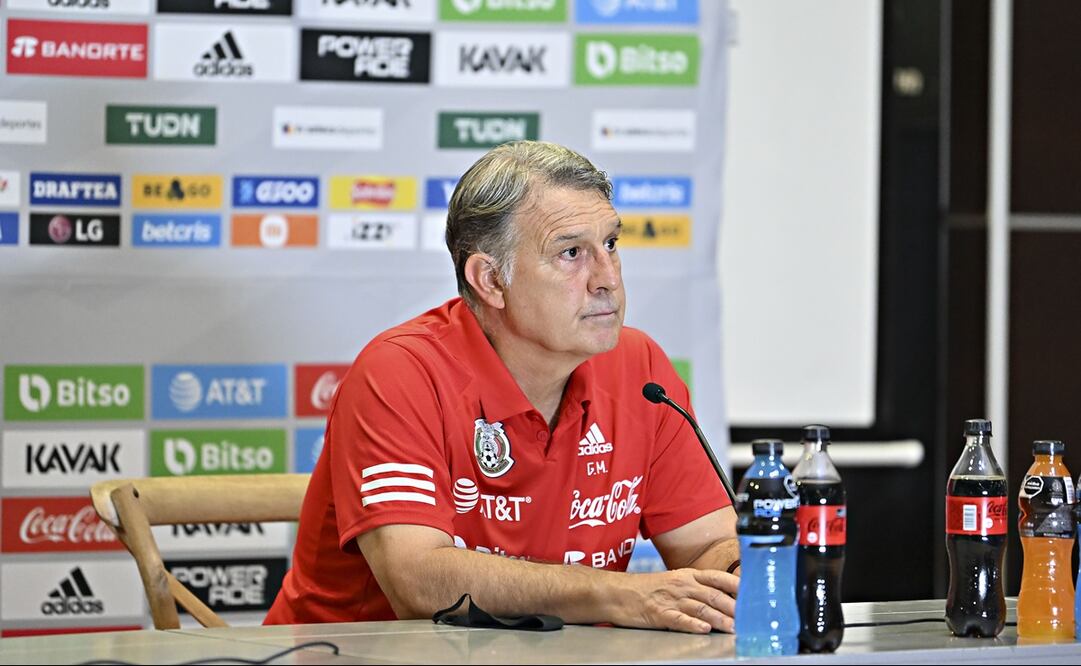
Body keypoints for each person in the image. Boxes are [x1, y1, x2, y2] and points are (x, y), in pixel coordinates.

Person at [265, 141, 739, 634]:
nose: (608, 280)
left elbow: (708, 544)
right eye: (571, 253)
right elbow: (419, 582)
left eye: (611, 245)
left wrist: (739, 573)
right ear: (490, 280)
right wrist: (619, 595)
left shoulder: (640, 368)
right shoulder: (399, 373)